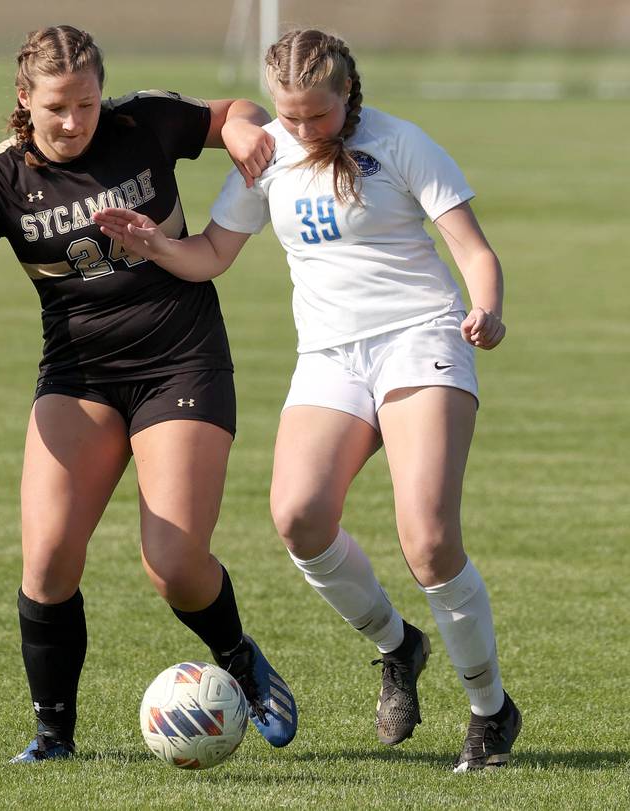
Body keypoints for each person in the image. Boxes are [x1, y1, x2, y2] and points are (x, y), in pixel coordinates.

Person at [93, 28, 522, 772]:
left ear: (349, 92)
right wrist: (154, 243)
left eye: (316, 116)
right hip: (330, 355)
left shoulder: (401, 143)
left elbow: (473, 248)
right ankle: (398, 646)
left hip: (420, 336)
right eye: (288, 116)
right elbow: (214, 256)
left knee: (426, 537)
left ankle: (490, 710)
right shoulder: (269, 154)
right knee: (298, 517)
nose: (299, 130)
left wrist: (485, 307)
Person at [0, 24, 298, 763]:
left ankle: (239, 659)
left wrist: (245, 127)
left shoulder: (142, 121)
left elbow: (230, 112)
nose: (73, 121)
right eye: (56, 106)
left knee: (174, 564)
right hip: (80, 374)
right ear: (25, 99)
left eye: (84, 103)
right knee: (49, 557)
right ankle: (54, 737)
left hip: (181, 360)